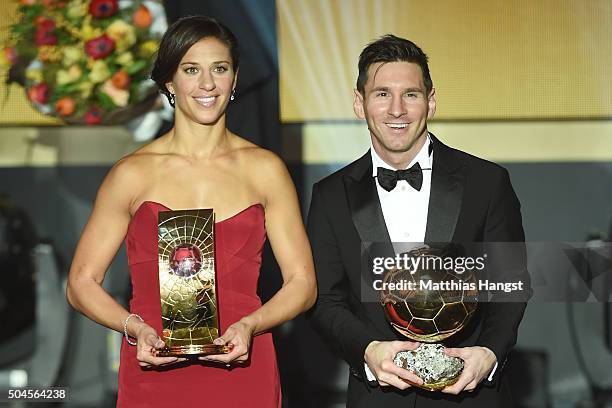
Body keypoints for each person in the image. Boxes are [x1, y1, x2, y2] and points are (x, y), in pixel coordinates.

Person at [66, 15, 316, 408]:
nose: (207, 84)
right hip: (154, 367)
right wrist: (134, 328)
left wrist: (251, 325)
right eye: (191, 70)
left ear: (234, 79)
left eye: (220, 69)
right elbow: (81, 282)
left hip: (243, 366)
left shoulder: (265, 169)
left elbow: (303, 283)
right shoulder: (132, 173)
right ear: (169, 81)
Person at [307, 34, 530, 407]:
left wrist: (489, 353)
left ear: (431, 101)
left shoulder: (486, 182)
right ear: (359, 104)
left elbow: (510, 283)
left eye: (410, 94)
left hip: (471, 395)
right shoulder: (330, 195)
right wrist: (369, 350)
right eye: (381, 94)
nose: (397, 110)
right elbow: (325, 299)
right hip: (377, 397)